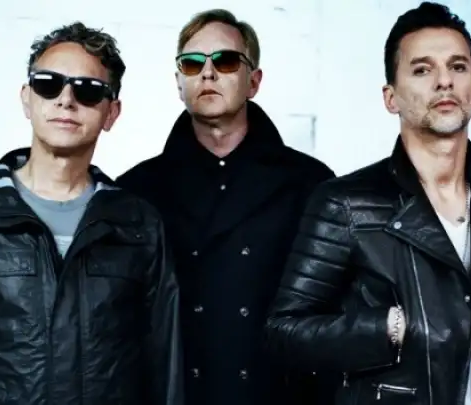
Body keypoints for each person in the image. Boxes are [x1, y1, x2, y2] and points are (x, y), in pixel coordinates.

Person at [265, 2, 471, 405]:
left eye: (457, 67)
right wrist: (388, 328)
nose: (444, 81)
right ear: (391, 97)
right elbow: (283, 333)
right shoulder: (346, 205)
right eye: (422, 70)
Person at [0, 22, 182, 405]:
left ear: (111, 112)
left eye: (88, 90)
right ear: (27, 98)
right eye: (48, 84)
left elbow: (165, 366)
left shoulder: (139, 224)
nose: (66, 100)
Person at [116, 8, 335, 405]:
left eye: (226, 60)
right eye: (192, 63)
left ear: (254, 81)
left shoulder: (310, 184)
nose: (208, 73)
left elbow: (329, 316)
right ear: (179, 83)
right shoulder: (136, 191)